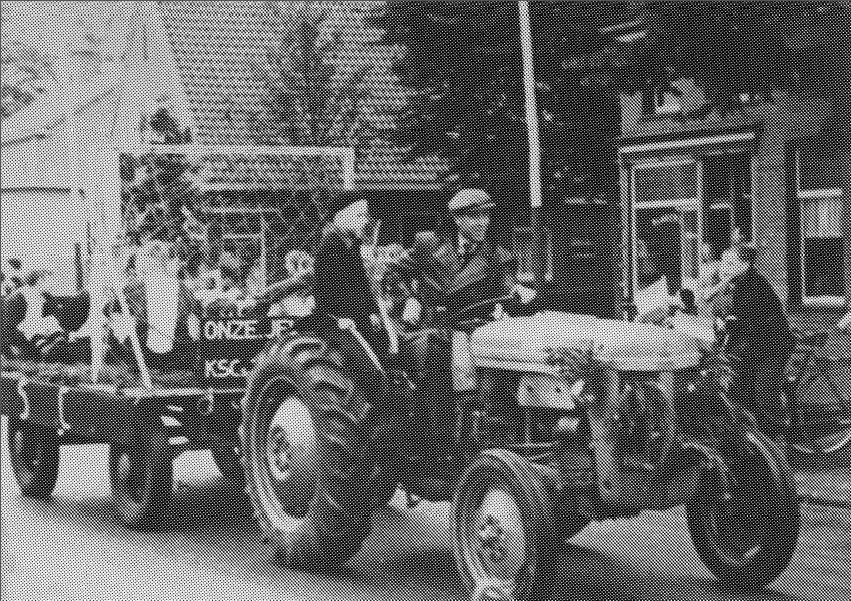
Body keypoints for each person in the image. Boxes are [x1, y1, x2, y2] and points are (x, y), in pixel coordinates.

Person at [718, 245, 793, 444]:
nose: (724, 268)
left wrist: (731, 323)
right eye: (723, 263)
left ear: (745, 264)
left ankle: (777, 446)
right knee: (740, 388)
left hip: (773, 347)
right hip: (758, 345)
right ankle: (753, 441)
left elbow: (750, 321)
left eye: (730, 264)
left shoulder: (753, 286)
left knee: (763, 391)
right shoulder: (741, 283)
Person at [313, 197, 387, 351]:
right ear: (341, 217)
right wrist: (364, 316)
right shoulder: (331, 247)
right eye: (360, 215)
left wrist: (372, 312)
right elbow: (336, 294)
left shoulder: (351, 246)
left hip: (356, 320)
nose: (365, 221)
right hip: (338, 325)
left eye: (365, 215)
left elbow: (361, 285)